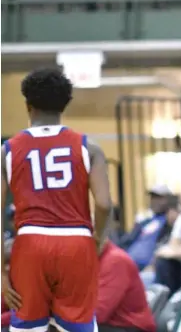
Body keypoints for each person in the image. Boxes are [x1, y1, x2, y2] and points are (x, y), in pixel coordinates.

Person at [0, 68, 112, 332]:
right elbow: (105, 205)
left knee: (28, 327)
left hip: (30, 243)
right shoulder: (89, 147)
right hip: (76, 241)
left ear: (28, 106)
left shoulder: (7, 150)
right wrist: (97, 240)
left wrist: (1, 274)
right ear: (65, 105)